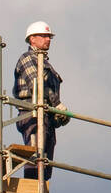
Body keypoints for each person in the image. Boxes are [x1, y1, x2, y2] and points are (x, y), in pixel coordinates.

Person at [13, 21, 69, 183]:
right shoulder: (27, 58)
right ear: (32, 39)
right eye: (43, 36)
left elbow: (49, 93)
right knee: (35, 157)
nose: (48, 39)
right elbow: (37, 85)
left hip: (46, 117)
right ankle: (32, 192)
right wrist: (57, 104)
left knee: (45, 162)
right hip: (31, 113)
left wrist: (59, 116)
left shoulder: (47, 66)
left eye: (49, 36)